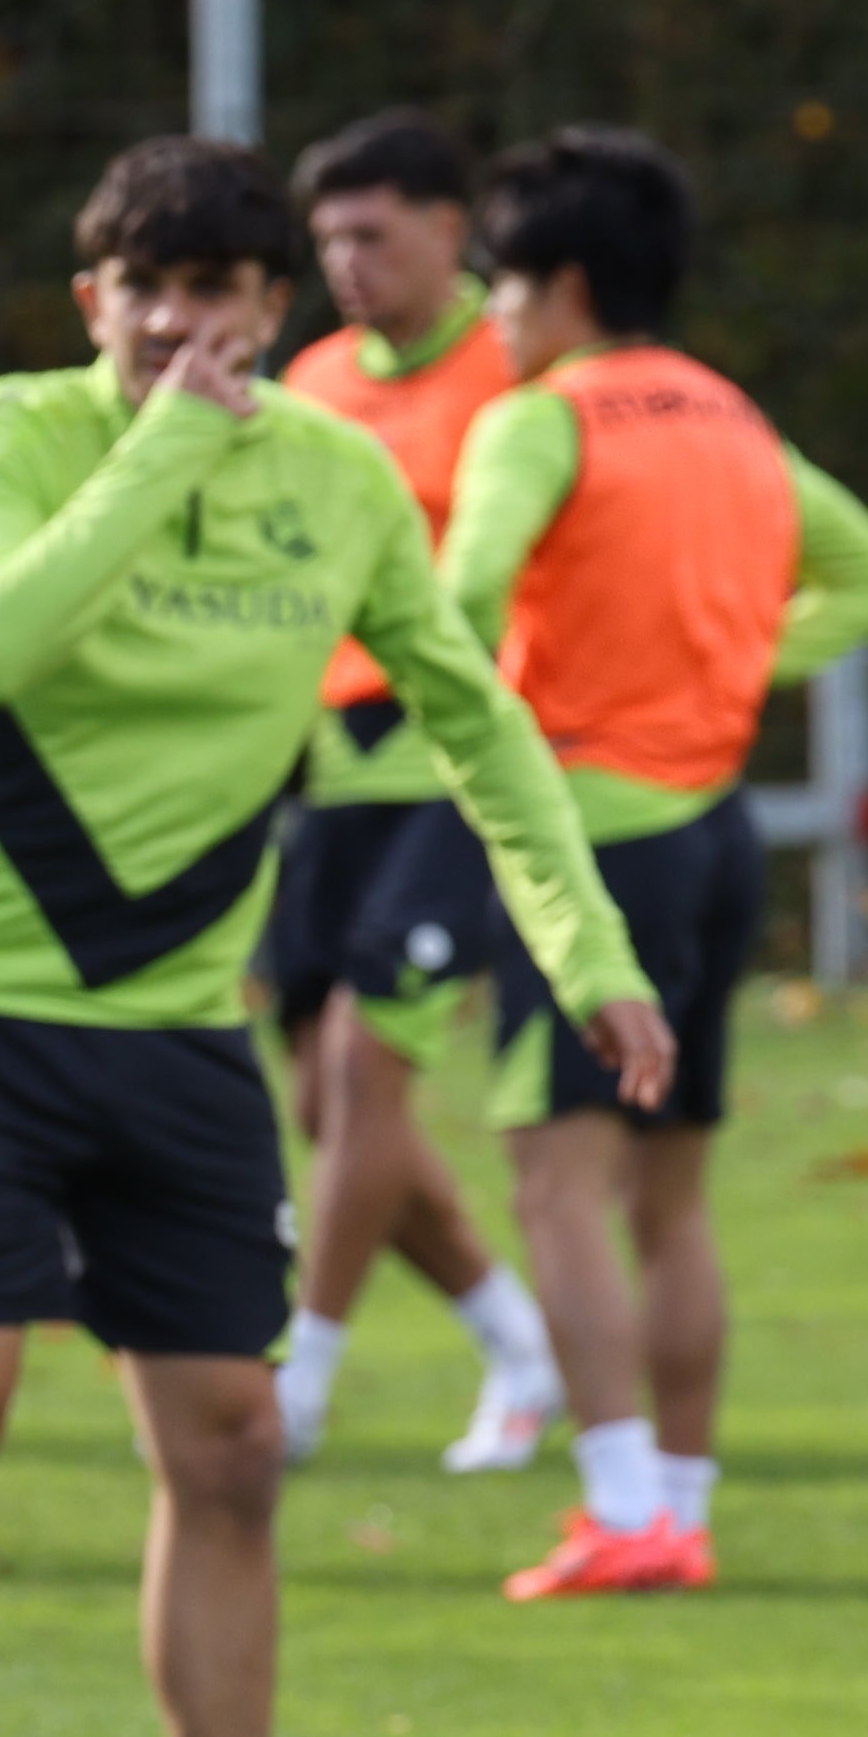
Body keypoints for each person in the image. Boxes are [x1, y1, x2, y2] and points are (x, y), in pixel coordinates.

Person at [0, 135, 666, 1737]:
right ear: (92, 298)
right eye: (146, 289)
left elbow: (474, 720)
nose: (184, 324)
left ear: (276, 307)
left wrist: (589, 955)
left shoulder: (337, 480)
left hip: (180, 1038)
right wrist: (170, 438)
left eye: (222, 294)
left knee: (237, 1449)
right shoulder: (7, 436)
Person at [436, 131, 868, 1600]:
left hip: (598, 836)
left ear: (567, 285)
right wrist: (725, 668)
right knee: (673, 1198)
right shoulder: (729, 414)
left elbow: (450, 604)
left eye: (504, 287)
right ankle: (681, 1506)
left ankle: (626, 1507)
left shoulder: (539, 420)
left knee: (557, 1189)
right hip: (718, 830)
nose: (492, 318)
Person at [263, 113, 564, 1474]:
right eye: (327, 238)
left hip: (458, 769)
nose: (347, 261)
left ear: (453, 233)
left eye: (372, 234)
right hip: (328, 772)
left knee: (360, 1073)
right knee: (335, 1114)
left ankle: (298, 1385)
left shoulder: (522, 373)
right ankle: (519, 1341)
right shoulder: (313, 381)